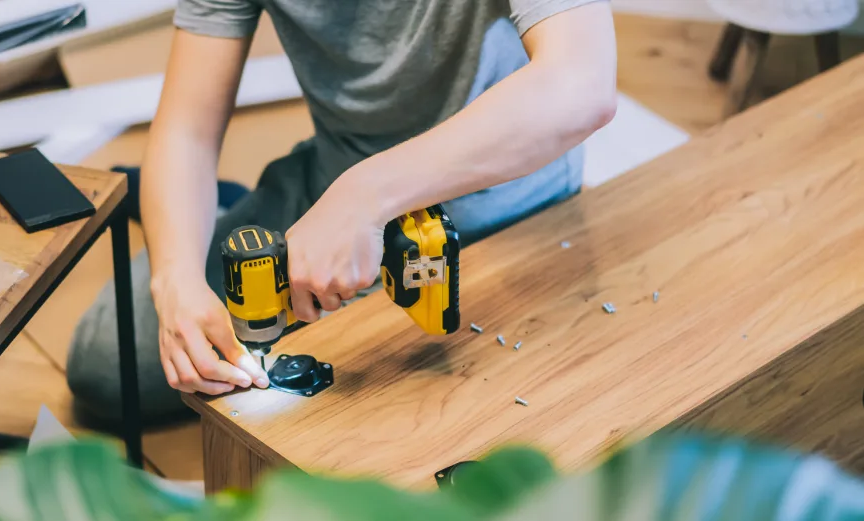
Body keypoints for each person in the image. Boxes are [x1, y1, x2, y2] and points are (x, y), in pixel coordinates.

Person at [67, 0, 617, 425]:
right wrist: (175, 279)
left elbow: (580, 86)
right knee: (105, 365)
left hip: (502, 206)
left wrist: (366, 197)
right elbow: (187, 129)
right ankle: (228, 210)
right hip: (331, 186)